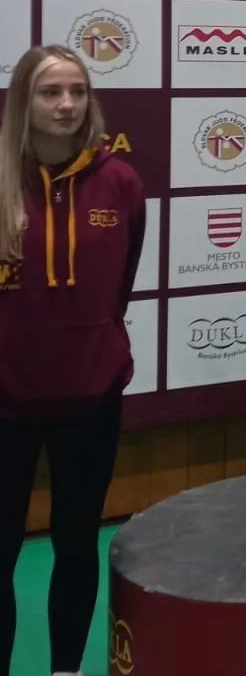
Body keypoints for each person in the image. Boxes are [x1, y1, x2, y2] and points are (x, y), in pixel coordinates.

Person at [0, 44, 145, 676]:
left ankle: (66, 669)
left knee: (78, 544)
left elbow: (120, 285)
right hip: (5, 401)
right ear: (22, 101)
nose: (66, 104)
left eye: (78, 91)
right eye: (50, 92)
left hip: (89, 396)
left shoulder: (121, 182)